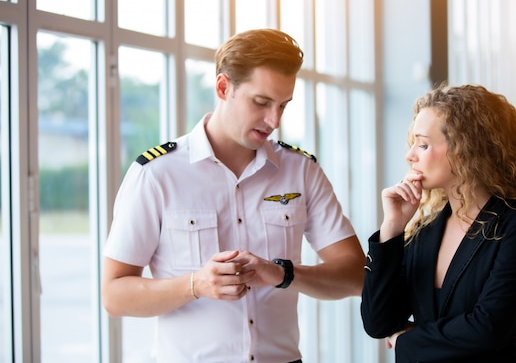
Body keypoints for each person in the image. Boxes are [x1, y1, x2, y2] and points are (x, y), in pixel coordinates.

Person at [102, 28, 365, 363]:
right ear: (223, 87)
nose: (274, 120)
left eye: (283, 105)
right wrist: (196, 284)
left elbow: (355, 276)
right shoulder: (155, 174)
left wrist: (282, 273)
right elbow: (114, 295)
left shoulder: (302, 170)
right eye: (261, 102)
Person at [360, 84, 516, 363]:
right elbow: (378, 322)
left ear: (465, 149)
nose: (410, 155)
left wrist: (407, 339)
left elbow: (489, 329)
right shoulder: (425, 231)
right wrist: (391, 228)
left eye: (424, 144)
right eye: (413, 143)